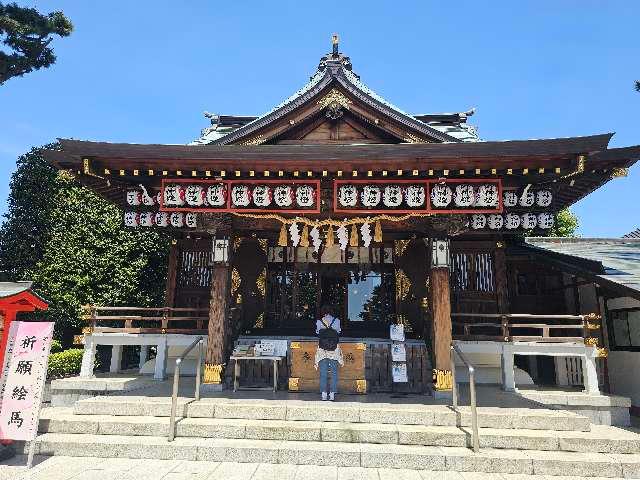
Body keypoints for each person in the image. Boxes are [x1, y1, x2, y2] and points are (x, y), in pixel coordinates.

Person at [314, 305, 344, 401]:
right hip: (334, 350)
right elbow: (338, 332)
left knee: (323, 372)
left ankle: (323, 394)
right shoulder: (337, 321)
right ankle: (332, 394)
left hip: (322, 350)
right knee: (334, 372)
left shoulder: (319, 321)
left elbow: (318, 332)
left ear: (323, 311)